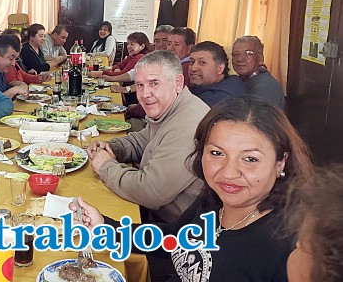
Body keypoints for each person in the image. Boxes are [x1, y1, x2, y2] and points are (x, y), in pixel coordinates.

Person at [72, 96, 314, 282]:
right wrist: (105, 226)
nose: (228, 172)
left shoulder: (290, 248)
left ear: (280, 162)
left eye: (250, 159)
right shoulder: (215, 202)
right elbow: (172, 239)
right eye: (217, 153)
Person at [87, 50, 210, 223]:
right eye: (139, 85)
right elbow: (143, 141)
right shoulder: (173, 107)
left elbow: (151, 191)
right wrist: (110, 147)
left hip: (173, 232)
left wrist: (106, 167)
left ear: (178, 83)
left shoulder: (189, 124)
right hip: (155, 215)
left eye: (154, 83)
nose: (145, 94)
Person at [232, 35, 285, 108]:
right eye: (236, 54)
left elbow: (256, 118)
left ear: (261, 59)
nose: (240, 59)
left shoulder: (266, 86)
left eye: (248, 54)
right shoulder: (239, 81)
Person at [189, 41, 245, 107]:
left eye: (202, 62)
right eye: (192, 62)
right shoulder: (230, 82)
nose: (193, 68)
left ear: (220, 68)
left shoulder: (216, 100)